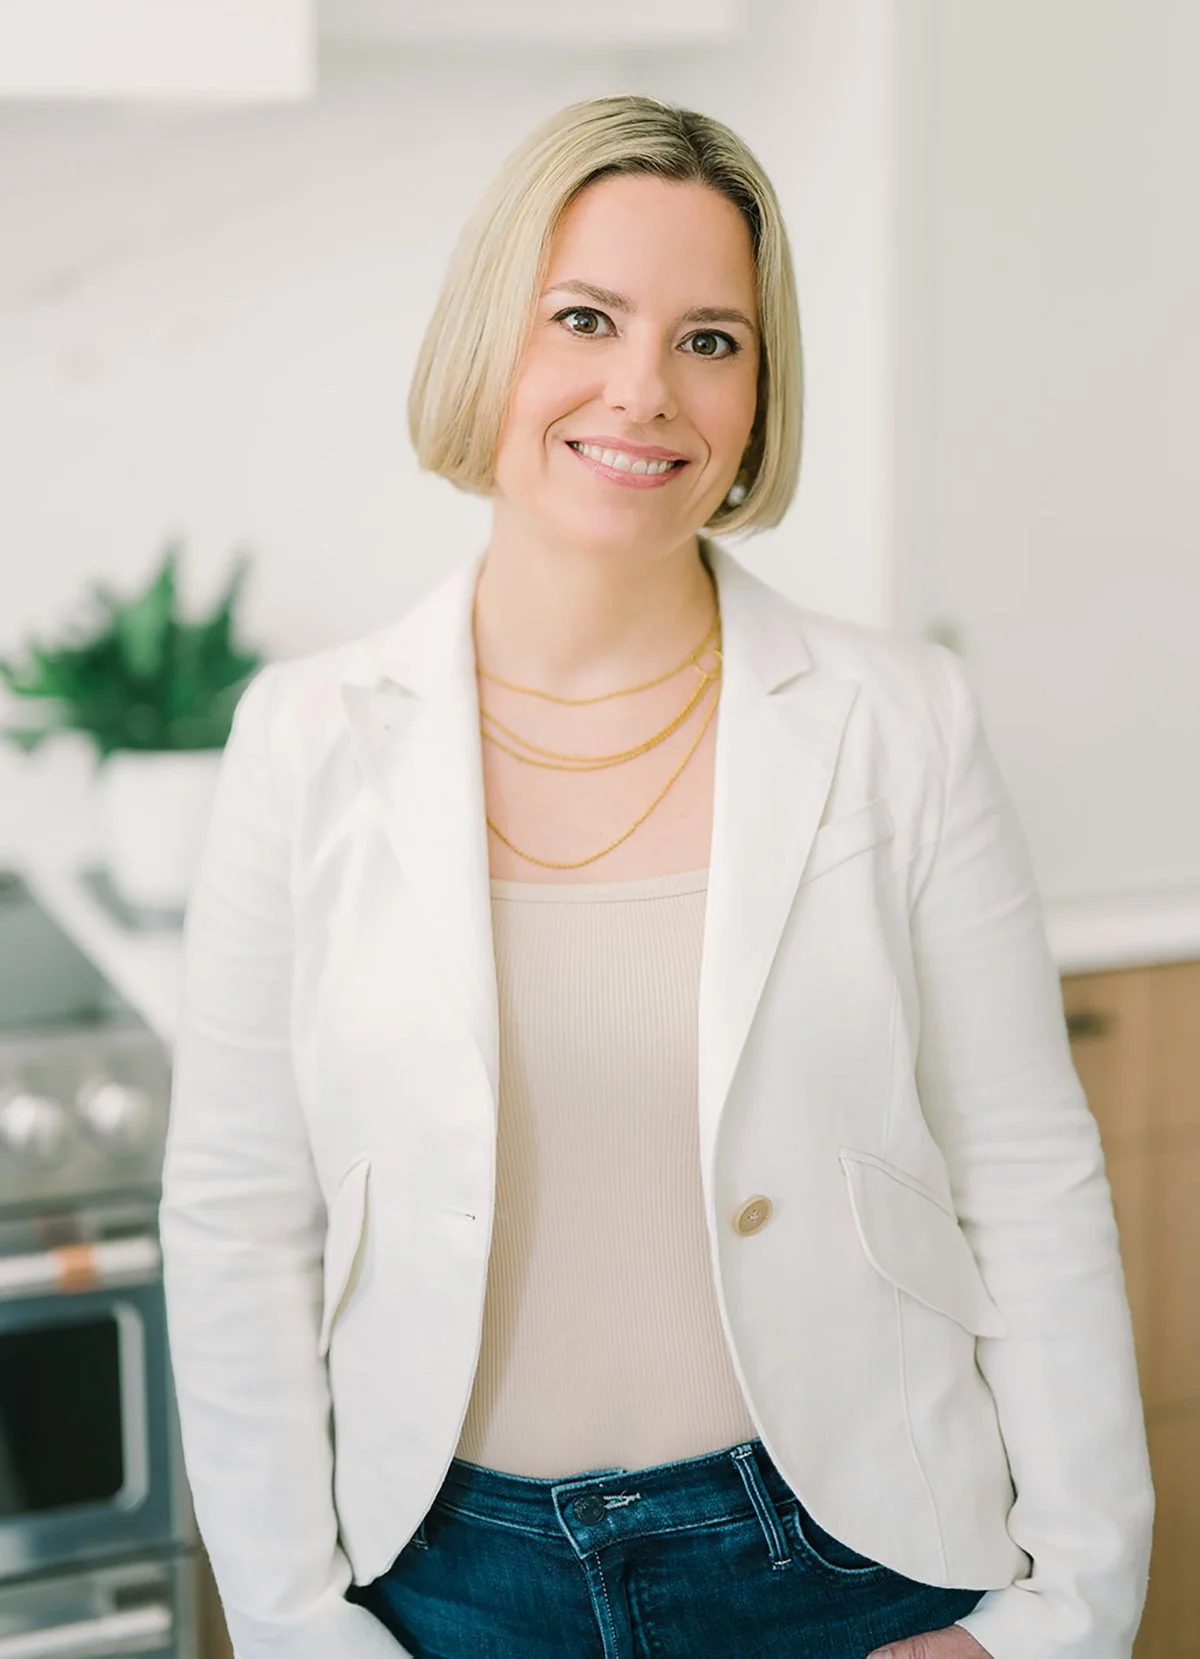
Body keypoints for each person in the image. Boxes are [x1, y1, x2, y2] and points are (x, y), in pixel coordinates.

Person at [158, 94, 1153, 1659]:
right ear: (491, 338)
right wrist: (295, 1626)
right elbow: (233, 1221)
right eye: (585, 317)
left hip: (842, 1560)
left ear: (759, 394)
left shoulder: (901, 722)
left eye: (712, 339)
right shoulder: (304, 740)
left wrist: (1067, 1611)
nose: (647, 389)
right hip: (443, 1582)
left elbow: (1030, 1181)